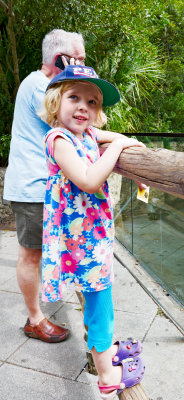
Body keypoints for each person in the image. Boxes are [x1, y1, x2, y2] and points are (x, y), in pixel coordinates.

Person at [40, 64, 146, 397]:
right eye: (74, 97)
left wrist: (127, 143)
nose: (84, 107)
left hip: (92, 239)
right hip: (80, 242)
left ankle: (106, 353)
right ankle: (106, 374)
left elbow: (111, 136)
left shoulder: (85, 134)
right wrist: (117, 151)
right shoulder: (59, 139)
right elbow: (87, 179)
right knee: (101, 302)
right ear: (57, 103)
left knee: (100, 296)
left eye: (93, 102)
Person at [3, 29, 86, 342]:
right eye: (76, 59)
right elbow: (78, 130)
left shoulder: (49, 86)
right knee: (31, 256)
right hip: (32, 186)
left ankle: (39, 311)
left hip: (42, 186)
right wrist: (118, 141)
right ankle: (34, 319)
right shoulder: (41, 85)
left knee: (39, 253)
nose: (81, 66)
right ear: (58, 59)